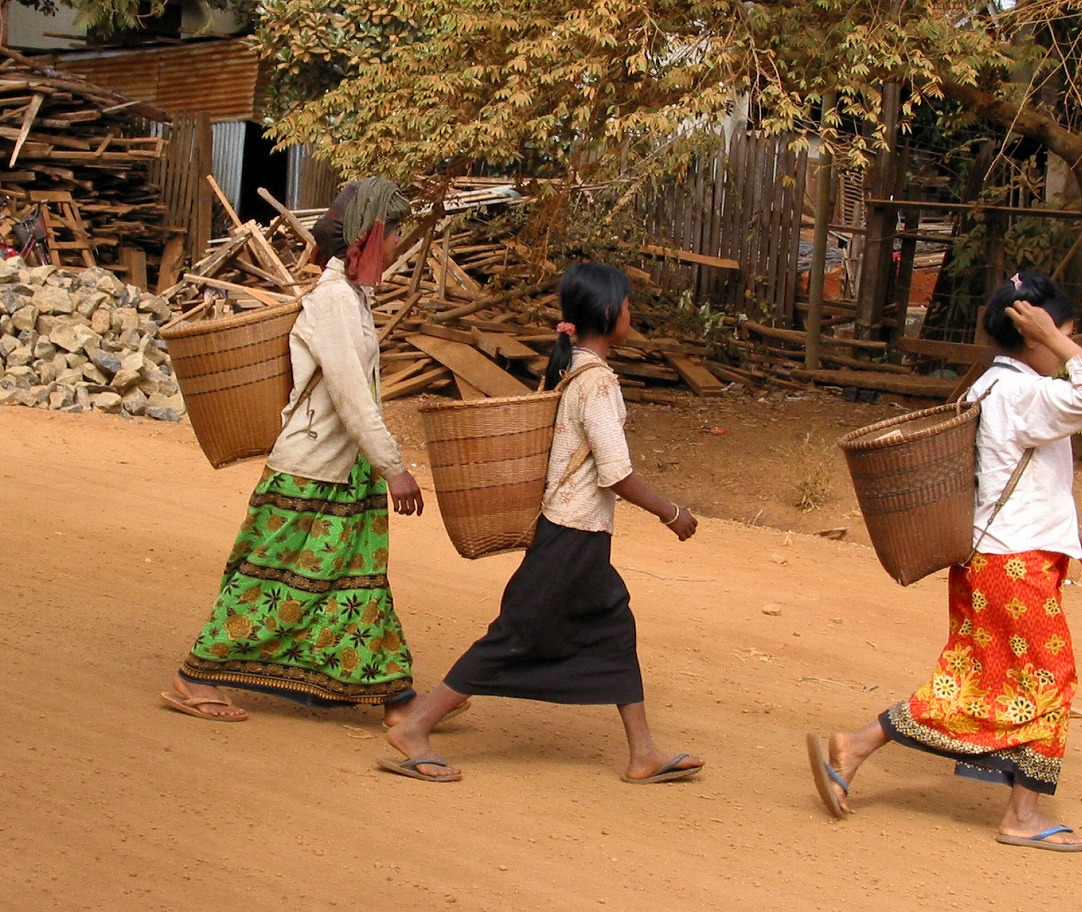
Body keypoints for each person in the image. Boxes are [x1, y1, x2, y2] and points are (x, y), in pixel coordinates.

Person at [807, 269, 1082, 852]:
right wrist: (1056, 337)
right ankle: (1021, 816)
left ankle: (855, 747)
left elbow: (1000, 475)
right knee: (1049, 683)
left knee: (977, 678)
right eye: (1063, 332)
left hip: (987, 559)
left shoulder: (989, 385)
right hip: (1013, 565)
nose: (1067, 345)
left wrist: (1074, 530)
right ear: (1035, 333)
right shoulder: (1028, 392)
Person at [378, 261, 705, 785]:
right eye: (627, 305)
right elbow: (616, 472)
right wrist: (671, 513)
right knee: (515, 635)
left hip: (579, 535)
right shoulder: (596, 383)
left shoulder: (573, 367)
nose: (631, 313)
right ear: (606, 312)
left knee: (614, 628)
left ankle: (642, 752)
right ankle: (414, 728)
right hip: (570, 535)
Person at [161, 177, 456, 729]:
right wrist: (395, 468)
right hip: (312, 471)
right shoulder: (334, 302)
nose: (396, 246)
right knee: (268, 580)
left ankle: (396, 699)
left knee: (358, 586)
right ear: (369, 238)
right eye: (392, 234)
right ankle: (195, 676)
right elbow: (350, 394)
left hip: (345, 474)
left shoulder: (354, 299)